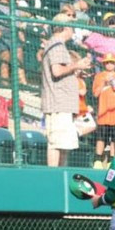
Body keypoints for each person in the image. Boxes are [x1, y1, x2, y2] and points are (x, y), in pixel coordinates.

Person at [41, 15, 92, 167]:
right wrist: (77, 66)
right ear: (64, 27)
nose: (73, 30)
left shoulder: (58, 45)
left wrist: (77, 70)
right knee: (56, 143)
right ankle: (54, 177)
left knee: (64, 144)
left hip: (63, 103)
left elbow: (62, 71)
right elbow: (56, 71)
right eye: (71, 27)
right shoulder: (56, 45)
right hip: (58, 103)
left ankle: (60, 175)